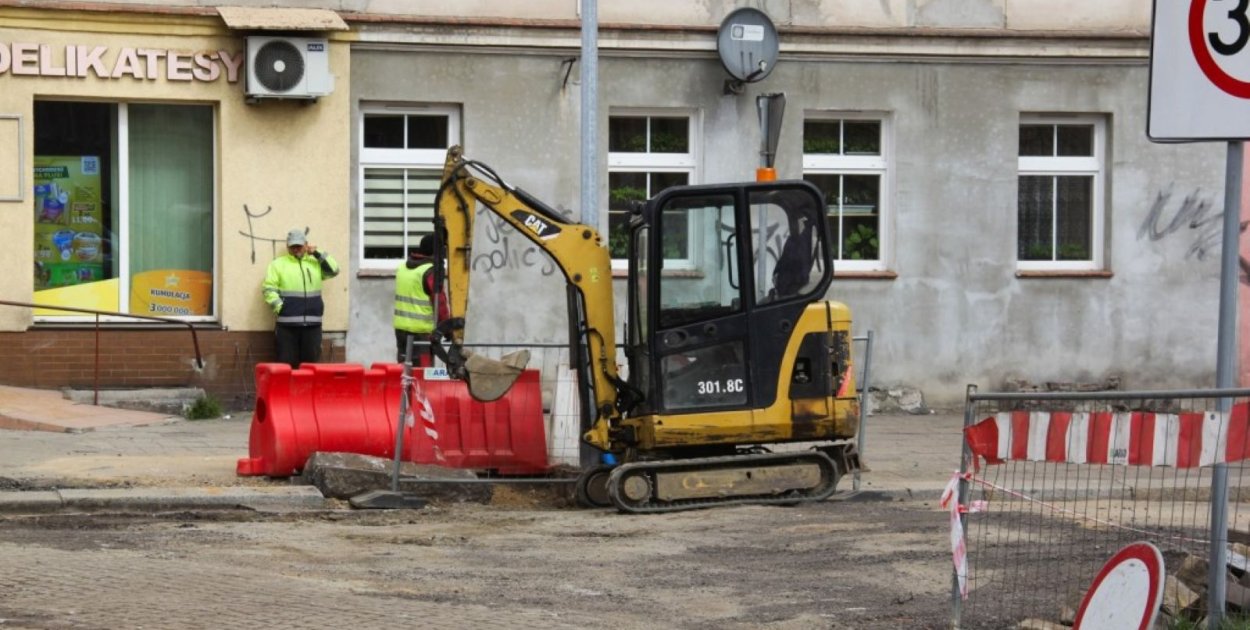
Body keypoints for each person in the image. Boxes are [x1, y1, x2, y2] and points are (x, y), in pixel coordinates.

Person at [263, 228, 340, 368]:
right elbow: (269, 289)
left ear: (306, 245)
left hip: (313, 324)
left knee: (310, 367)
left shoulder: (314, 263)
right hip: (287, 326)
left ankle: (307, 391)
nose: (296, 249)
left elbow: (334, 270)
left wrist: (317, 253)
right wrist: (281, 308)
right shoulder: (278, 264)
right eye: (293, 246)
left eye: (299, 245)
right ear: (287, 246)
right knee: (286, 366)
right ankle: (287, 391)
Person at [394, 234, 448, 365]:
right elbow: (439, 303)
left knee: (404, 371)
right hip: (421, 333)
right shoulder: (429, 272)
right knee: (423, 374)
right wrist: (448, 327)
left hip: (401, 329)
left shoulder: (403, 268)